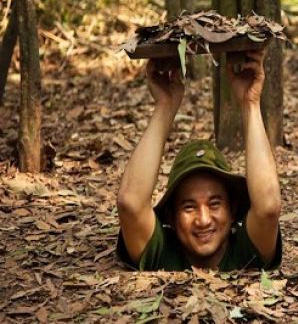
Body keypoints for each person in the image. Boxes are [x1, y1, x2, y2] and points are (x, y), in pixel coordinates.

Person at [116, 49, 282, 271]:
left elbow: (268, 207)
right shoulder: (162, 253)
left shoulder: (245, 254)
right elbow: (130, 204)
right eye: (188, 207)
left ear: (232, 210)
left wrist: (250, 103)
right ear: (171, 218)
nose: (203, 220)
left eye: (214, 204)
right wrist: (165, 105)